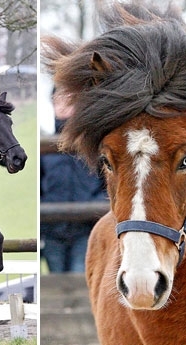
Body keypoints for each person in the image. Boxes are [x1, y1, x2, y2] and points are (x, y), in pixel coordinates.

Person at [40, 88, 107, 273]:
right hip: (52, 232)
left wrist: (93, 209)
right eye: (58, 99)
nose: (63, 104)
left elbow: (107, 187)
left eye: (70, 98)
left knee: (80, 278)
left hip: (85, 231)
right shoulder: (44, 149)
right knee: (56, 280)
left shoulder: (94, 147)